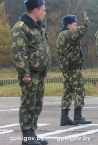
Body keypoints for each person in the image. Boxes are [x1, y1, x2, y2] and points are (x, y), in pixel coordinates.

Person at [11, 0, 50, 145]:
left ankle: (32, 133)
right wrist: (24, 73)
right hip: (30, 74)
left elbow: (43, 50)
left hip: (39, 73)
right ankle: (26, 136)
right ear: (35, 10)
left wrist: (45, 71)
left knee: (37, 105)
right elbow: (19, 52)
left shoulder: (39, 27)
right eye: (43, 10)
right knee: (28, 104)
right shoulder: (21, 27)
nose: (45, 13)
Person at [56, 13, 92, 126]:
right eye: (75, 25)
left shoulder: (62, 34)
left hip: (67, 68)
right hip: (72, 68)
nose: (76, 27)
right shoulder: (67, 34)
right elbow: (78, 34)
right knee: (80, 90)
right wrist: (85, 22)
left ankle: (64, 117)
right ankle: (77, 116)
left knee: (67, 92)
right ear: (68, 25)